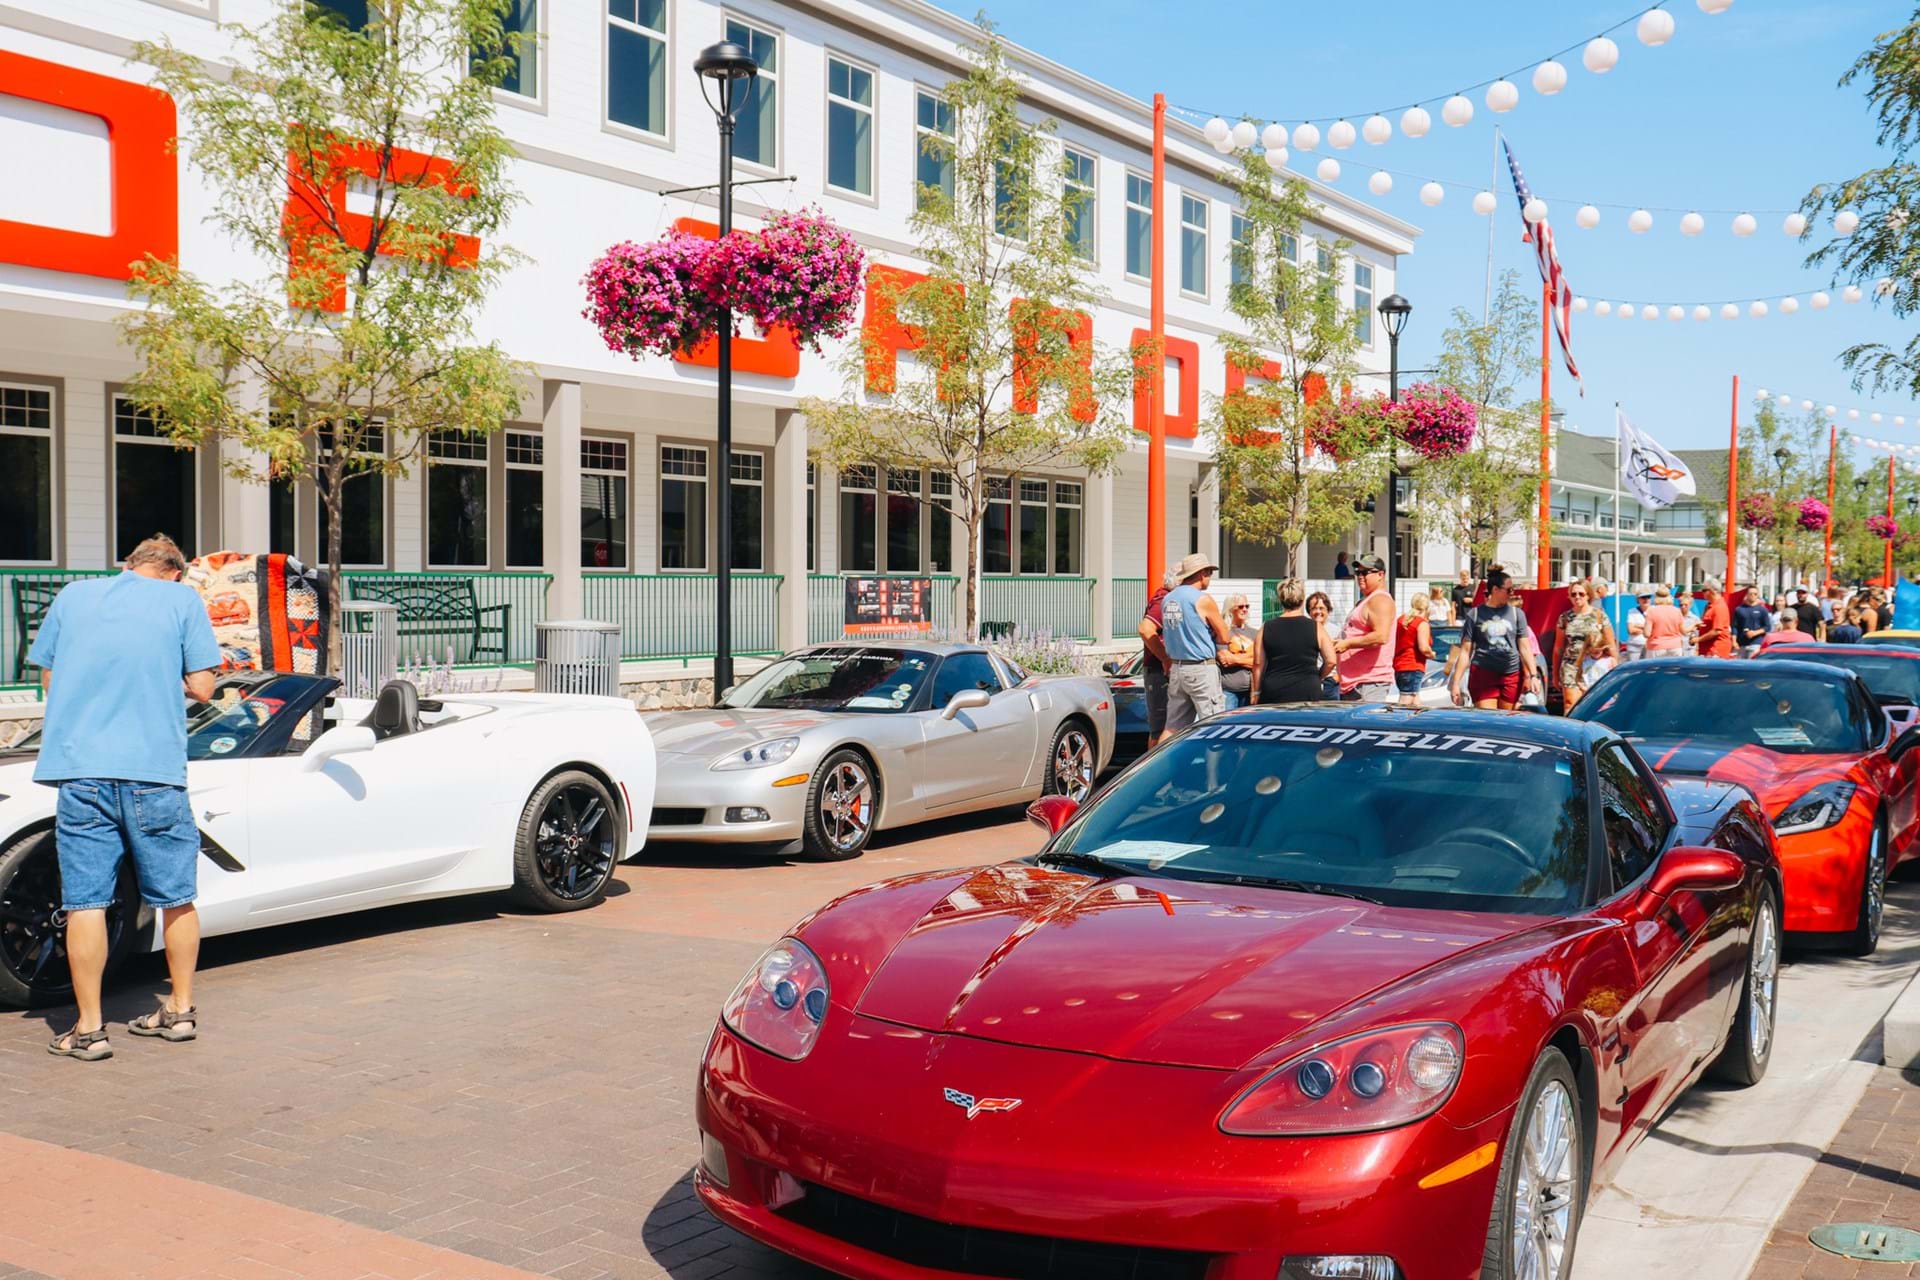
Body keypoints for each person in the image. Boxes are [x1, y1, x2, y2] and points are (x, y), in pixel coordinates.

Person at [29, 534, 221, 1062]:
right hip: (153, 772)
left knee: (85, 902)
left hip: (82, 769)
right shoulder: (183, 600)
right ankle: (179, 1010)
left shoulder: (72, 595)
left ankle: (89, 1030)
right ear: (176, 573)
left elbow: (48, 675)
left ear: (126, 566)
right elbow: (204, 686)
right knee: (176, 896)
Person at [1450, 567, 1544, 710]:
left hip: (1511, 674)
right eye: (1509, 590)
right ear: (1495, 590)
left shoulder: (1517, 614)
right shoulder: (1475, 614)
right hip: (1483, 674)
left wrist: (1533, 676)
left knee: (1505, 721)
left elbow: (1525, 648)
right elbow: (1465, 651)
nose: (1512, 593)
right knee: (1488, 719)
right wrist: (1456, 682)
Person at [1160, 553, 1229, 732]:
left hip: (1177, 666)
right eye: (1209, 573)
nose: (1210, 578)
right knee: (1213, 726)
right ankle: (1214, 761)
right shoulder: (1202, 599)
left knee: (1173, 728)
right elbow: (1224, 635)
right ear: (1201, 574)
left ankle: (1165, 760)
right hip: (1200, 667)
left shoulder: (1168, 599)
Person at [1252, 578, 1335, 704]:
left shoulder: (1266, 627)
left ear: (1281, 600)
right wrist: (1318, 676)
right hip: (1308, 688)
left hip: (1275, 690)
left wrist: (1256, 692)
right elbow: (1331, 660)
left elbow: (1258, 664)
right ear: (1302, 601)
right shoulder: (1316, 627)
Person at [1333, 554, 1397, 703]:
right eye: (1357, 573)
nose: (1360, 577)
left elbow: (1381, 636)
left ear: (1380, 575)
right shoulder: (1367, 600)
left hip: (1369, 683)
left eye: (1365, 572)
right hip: (1356, 684)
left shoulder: (1380, 600)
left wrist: (1347, 644)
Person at [1136, 570, 1179, 750]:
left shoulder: (1165, 598)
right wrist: (1165, 658)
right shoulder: (1164, 600)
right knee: (1162, 729)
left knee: (1167, 727)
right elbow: (1146, 629)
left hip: (1160, 671)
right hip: (1159, 672)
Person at [1554, 583, 1615, 711]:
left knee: (1596, 706)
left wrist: (1614, 667)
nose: (1577, 597)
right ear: (1569, 597)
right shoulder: (1565, 618)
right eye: (1573, 594)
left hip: (1594, 666)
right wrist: (1555, 674)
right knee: (1571, 704)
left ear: (1588, 595)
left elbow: (1611, 644)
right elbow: (1558, 648)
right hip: (1572, 665)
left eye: (1581, 594)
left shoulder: (1599, 615)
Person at [1393, 591, 1436, 707]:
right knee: (1406, 700)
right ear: (1427, 608)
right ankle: (1397, 723)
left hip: (1399, 665)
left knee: (1415, 700)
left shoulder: (1401, 620)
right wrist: (1431, 654)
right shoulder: (1421, 623)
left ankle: (1419, 723)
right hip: (1413, 665)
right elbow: (1423, 647)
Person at [1218, 594, 1258, 710]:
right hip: (1228, 691)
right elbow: (1224, 660)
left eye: (1247, 606)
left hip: (1250, 691)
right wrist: (1251, 657)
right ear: (1230, 609)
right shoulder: (1223, 633)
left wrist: (1235, 659)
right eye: (1240, 606)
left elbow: (1259, 661)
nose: (1245, 609)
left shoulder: (1255, 633)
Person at [1306, 591, 1340, 699]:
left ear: (1328, 610)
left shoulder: (1336, 631)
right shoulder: (1305, 630)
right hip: (1310, 681)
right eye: (1314, 608)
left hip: (1330, 682)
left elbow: (1346, 657)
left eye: (1321, 608)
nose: (1317, 612)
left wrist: (1337, 677)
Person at [1642, 586, 1688, 656]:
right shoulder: (1677, 611)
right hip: (1675, 646)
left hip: (1656, 646)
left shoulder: (1651, 611)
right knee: (1674, 667)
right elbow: (1683, 631)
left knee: (1655, 667)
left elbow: (1647, 634)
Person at [1696, 577, 1734, 659]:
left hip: (1715, 650)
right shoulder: (1710, 606)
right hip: (1707, 650)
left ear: (1713, 591)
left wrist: (1698, 639)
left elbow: (1716, 631)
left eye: (1704, 590)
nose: (1702, 593)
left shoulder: (1719, 607)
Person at [1733, 587, 1774, 658]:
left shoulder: (1763, 610)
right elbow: (1734, 626)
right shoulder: (1739, 609)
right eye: (1750, 594)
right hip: (1741, 643)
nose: (1753, 596)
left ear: (1758, 595)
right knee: (1740, 665)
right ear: (1746, 595)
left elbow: (1767, 627)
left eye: (1755, 594)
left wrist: (1755, 633)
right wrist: (1734, 641)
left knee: (1751, 665)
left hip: (1756, 643)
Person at [1623, 590, 1651, 662]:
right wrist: (1647, 629)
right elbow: (1631, 630)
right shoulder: (1632, 611)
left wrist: (1638, 626)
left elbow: (1656, 628)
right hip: (1634, 645)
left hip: (1649, 645)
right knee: (1633, 668)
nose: (1646, 599)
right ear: (1638, 599)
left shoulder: (1654, 610)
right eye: (1643, 597)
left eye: (1648, 597)